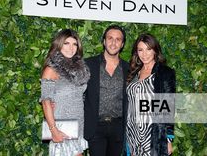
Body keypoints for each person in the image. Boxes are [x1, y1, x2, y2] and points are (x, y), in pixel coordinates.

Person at [40, 29, 90, 156]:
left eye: (74, 44)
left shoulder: (79, 70)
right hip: (62, 128)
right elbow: (46, 102)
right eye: (66, 43)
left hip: (78, 127)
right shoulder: (51, 70)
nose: (71, 48)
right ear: (59, 45)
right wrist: (53, 130)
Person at [126, 33, 176, 156]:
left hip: (153, 132)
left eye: (149, 49)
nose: (145, 54)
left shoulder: (165, 73)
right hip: (132, 130)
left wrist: (168, 138)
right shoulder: (133, 72)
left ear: (155, 50)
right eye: (140, 50)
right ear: (136, 52)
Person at [84, 25, 129, 156]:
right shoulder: (88, 64)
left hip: (118, 128)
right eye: (110, 38)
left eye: (118, 39)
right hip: (95, 126)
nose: (113, 43)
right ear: (104, 41)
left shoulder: (129, 69)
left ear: (122, 44)